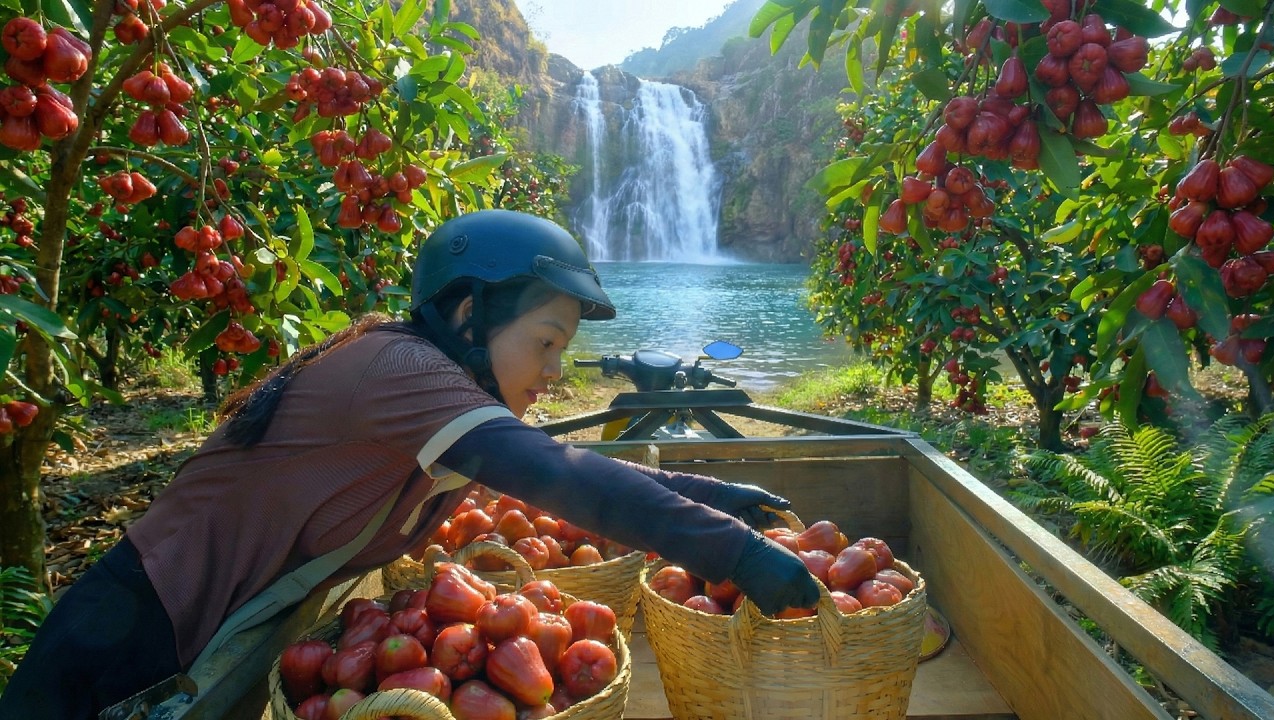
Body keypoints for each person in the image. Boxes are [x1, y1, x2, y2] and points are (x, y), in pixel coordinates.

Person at [0, 209, 820, 718]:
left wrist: (713, 494)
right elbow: (561, 477)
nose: (554, 372)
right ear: (468, 314)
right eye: (546, 343)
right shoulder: (400, 373)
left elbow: (556, 462)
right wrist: (733, 553)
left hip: (206, 639)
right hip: (134, 637)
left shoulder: (439, 398)